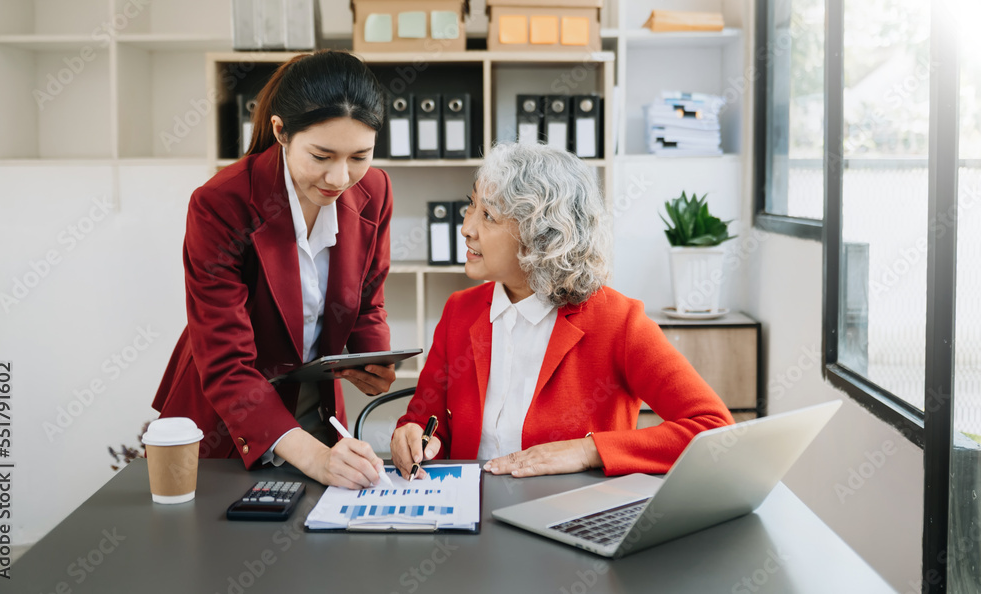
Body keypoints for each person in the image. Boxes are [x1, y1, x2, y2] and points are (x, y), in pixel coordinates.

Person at [391, 142, 732, 479]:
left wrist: (588, 451)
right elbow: (424, 420)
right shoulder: (459, 311)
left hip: (571, 516)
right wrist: (414, 436)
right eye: (472, 206)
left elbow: (714, 430)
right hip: (470, 515)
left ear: (541, 235)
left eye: (488, 216)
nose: (466, 228)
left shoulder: (618, 321)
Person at [153, 50, 395, 489]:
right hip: (231, 415)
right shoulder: (220, 203)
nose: (340, 177)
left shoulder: (374, 190)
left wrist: (372, 355)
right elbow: (225, 360)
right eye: (321, 155)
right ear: (281, 131)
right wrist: (315, 458)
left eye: (359, 156)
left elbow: (368, 296)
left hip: (317, 405)